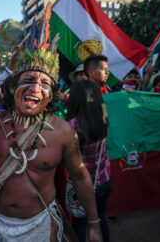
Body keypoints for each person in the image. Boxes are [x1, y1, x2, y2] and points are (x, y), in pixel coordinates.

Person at [0, 46, 102, 241]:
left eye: (44, 83)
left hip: (41, 225)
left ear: (51, 94)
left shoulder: (63, 131)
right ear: (12, 87)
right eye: (29, 80)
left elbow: (80, 176)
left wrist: (94, 224)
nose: (35, 88)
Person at [66, 80, 112, 242]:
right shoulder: (103, 116)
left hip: (83, 187)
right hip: (104, 179)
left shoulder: (72, 125)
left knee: (80, 224)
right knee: (100, 220)